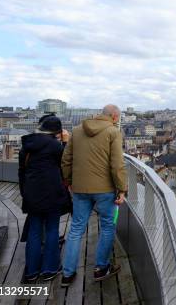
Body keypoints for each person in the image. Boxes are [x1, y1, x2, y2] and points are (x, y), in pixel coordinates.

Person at [61, 105, 127, 286]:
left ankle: (67, 273)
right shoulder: (113, 132)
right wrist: (121, 190)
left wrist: (68, 181)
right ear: (114, 117)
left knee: (75, 229)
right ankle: (101, 268)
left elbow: (66, 159)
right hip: (105, 190)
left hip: (80, 189)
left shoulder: (77, 130)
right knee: (107, 227)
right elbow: (117, 165)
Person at [18, 115, 70, 283]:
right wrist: (65, 143)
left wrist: (24, 193)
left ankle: (31, 271)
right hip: (52, 194)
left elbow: (22, 172)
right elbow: (65, 164)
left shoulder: (26, 146)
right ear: (56, 132)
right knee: (52, 230)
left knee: (34, 231)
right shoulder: (55, 146)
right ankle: (49, 269)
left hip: (32, 195)